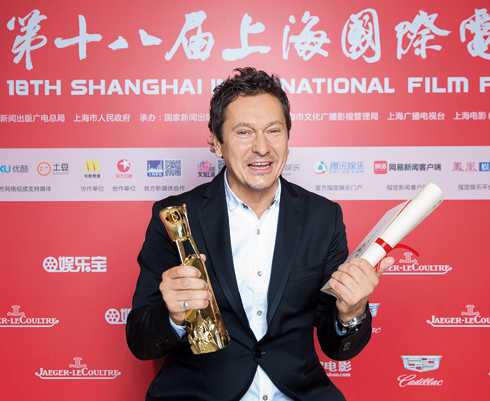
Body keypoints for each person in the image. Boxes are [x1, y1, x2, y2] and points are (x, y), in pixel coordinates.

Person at [126, 67, 394, 401]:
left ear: (288, 139)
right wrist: (173, 316)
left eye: (274, 130)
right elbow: (140, 342)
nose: (262, 148)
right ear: (217, 143)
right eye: (244, 132)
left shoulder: (323, 218)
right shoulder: (176, 217)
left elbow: (336, 346)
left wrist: (351, 313)